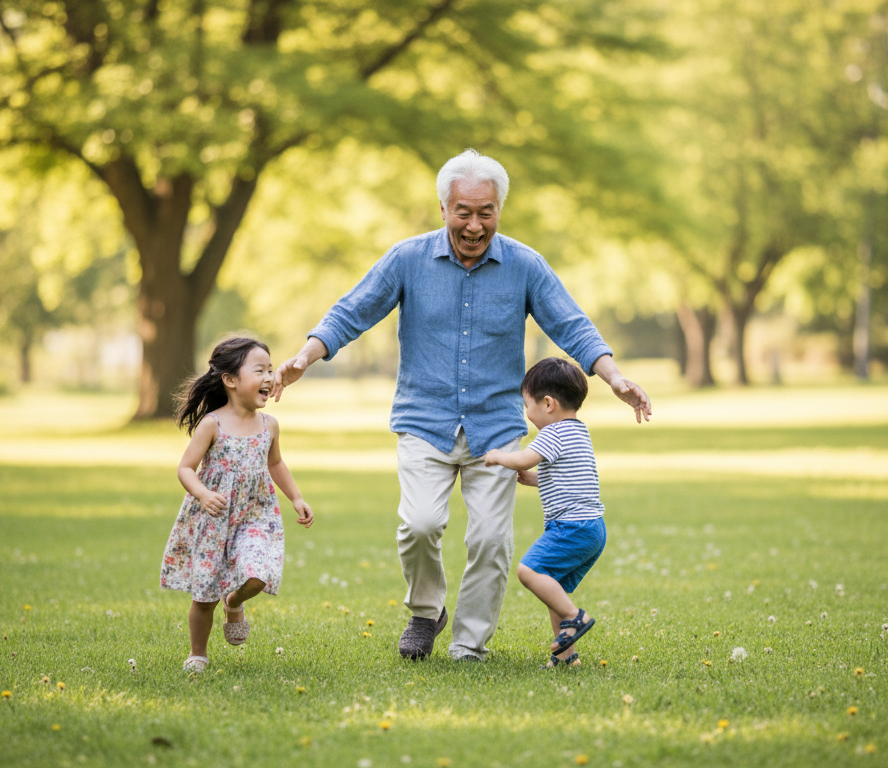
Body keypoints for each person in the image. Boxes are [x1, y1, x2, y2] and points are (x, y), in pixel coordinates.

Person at [273, 149, 650, 662]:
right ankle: (426, 612)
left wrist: (613, 375)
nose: (474, 225)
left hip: (496, 428)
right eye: (463, 212)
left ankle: (469, 644)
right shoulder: (407, 259)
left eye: (486, 212)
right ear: (445, 208)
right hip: (423, 421)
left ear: (499, 209)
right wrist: (305, 356)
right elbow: (352, 310)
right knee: (421, 525)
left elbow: (571, 324)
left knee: (492, 541)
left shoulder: (525, 265)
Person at [160, 336, 315, 673]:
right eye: (259, 370)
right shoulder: (212, 425)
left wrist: (297, 497)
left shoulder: (269, 426)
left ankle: (234, 602)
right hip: (214, 518)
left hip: (254, 517)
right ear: (230, 380)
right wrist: (202, 494)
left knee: (259, 575)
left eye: (271, 370)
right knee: (204, 595)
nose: (270, 377)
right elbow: (185, 468)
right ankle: (197, 653)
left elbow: (275, 464)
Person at [483, 358, 605, 668]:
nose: (527, 414)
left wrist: (499, 456)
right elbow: (568, 477)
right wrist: (535, 480)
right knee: (555, 588)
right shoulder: (579, 432)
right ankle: (566, 657)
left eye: (527, 405)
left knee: (529, 571)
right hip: (591, 528)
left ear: (548, 404)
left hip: (571, 527)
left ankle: (575, 616)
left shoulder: (553, 433)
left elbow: (524, 459)